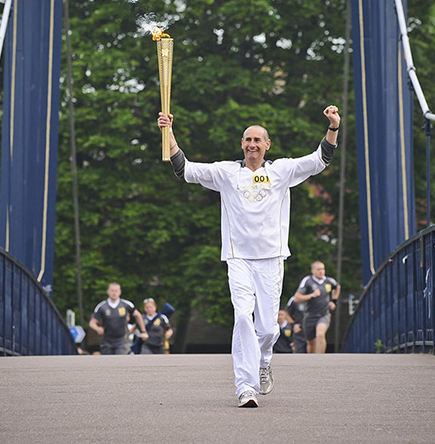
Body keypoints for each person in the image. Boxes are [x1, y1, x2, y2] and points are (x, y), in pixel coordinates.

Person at [157, 105, 341, 407]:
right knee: (243, 316)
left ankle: (264, 361)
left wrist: (333, 127)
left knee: (269, 327)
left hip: (271, 259)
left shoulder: (281, 171)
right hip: (238, 258)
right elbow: (184, 169)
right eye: (247, 140)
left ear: (267, 145)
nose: (252, 144)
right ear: (242, 145)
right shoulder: (226, 173)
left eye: (258, 140)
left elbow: (321, 159)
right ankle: (245, 387)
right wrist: (169, 131)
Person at [89, 282, 148, 355]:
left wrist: (143, 331)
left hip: (122, 341)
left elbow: (138, 315)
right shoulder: (102, 306)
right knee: (107, 363)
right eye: (112, 291)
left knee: (120, 362)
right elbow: (92, 323)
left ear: (120, 292)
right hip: (106, 341)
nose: (114, 293)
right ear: (108, 291)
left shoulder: (126, 305)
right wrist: (97, 328)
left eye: (116, 291)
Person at [294, 261, 340, 354]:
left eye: (323, 269)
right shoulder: (308, 281)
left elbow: (337, 287)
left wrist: (334, 301)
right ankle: (312, 361)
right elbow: (297, 298)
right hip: (310, 316)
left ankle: (320, 360)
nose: (321, 271)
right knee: (311, 343)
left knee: (320, 334)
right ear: (313, 271)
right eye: (318, 269)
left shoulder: (329, 281)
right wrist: (311, 295)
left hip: (324, 315)